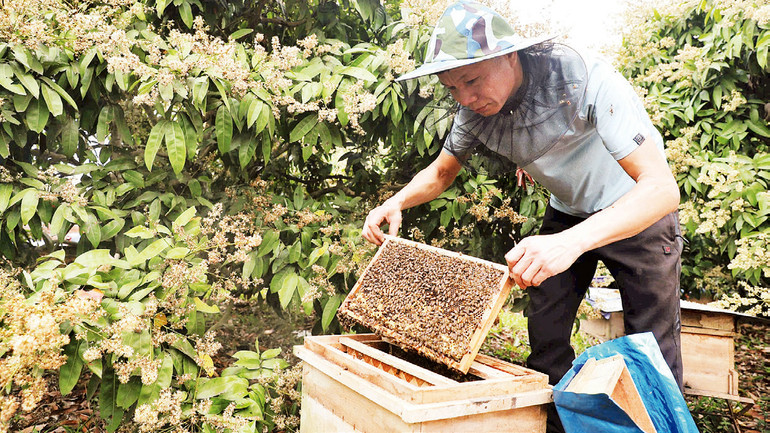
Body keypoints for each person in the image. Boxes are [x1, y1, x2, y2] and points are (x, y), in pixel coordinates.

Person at [361, 1, 684, 431]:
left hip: (635, 211)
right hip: (567, 213)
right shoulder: (473, 114)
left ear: (511, 55)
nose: (466, 98)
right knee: (546, 334)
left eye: (472, 80)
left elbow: (662, 189)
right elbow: (441, 172)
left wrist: (571, 243)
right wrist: (394, 202)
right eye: (452, 89)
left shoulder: (590, 79)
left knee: (651, 347)